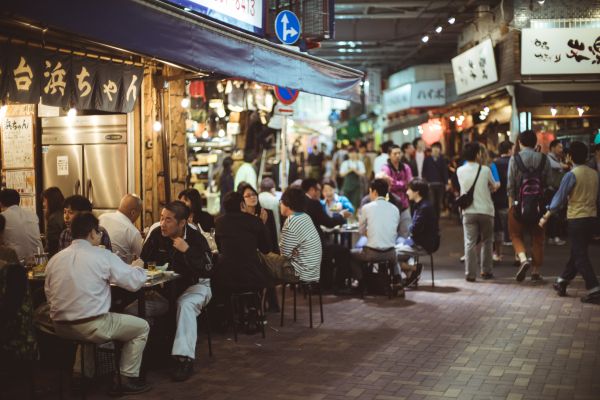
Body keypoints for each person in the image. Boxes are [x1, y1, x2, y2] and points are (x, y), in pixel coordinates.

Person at [44, 212, 150, 395]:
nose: (100, 235)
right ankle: (126, 378)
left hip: (59, 326)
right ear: (92, 233)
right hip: (92, 326)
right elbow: (133, 282)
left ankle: (80, 375)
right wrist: (139, 267)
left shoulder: (55, 259)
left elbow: (49, 294)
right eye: (98, 232)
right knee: (142, 327)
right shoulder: (102, 255)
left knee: (84, 327)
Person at [140, 201, 212, 382]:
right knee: (136, 308)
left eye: (168, 220)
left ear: (182, 223)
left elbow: (208, 269)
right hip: (163, 290)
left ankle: (184, 359)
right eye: (161, 218)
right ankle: (145, 356)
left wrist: (187, 250)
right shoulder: (157, 234)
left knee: (185, 305)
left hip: (195, 287)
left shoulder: (196, 239)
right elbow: (143, 259)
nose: (162, 223)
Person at [540, 141, 600, 303]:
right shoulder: (594, 173)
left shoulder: (572, 174)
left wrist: (546, 216)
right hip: (592, 218)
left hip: (577, 218)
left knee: (580, 255)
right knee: (577, 252)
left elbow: (559, 198)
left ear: (570, 156)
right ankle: (562, 281)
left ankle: (594, 288)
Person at [507, 130, 551, 282]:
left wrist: (511, 206)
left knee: (515, 234)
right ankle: (535, 271)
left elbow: (510, 185)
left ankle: (523, 259)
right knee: (538, 237)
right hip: (539, 205)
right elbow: (548, 183)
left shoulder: (514, 159)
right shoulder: (544, 159)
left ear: (520, 143)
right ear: (535, 143)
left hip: (519, 204)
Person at [214, 191, 272, 291]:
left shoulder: (219, 222)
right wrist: (262, 225)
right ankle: (262, 305)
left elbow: (220, 249)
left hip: (226, 276)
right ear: (242, 204)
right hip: (251, 275)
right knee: (268, 274)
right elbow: (266, 249)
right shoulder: (255, 221)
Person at [457, 142, 497, 282]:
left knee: (470, 243)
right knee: (487, 241)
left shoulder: (460, 171)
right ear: (477, 154)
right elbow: (494, 185)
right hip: (486, 210)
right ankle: (486, 271)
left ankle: (470, 274)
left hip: (468, 211)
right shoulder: (485, 170)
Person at [302, 178, 351, 290]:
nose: (322, 193)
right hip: (316, 247)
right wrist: (341, 217)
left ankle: (325, 283)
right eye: (320, 190)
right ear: (312, 190)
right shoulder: (314, 203)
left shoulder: (298, 202)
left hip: (302, 246)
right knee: (344, 251)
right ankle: (339, 284)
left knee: (331, 250)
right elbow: (329, 223)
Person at [350, 179, 400, 287]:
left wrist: (369, 233)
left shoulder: (367, 208)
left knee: (350, 254)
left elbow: (361, 231)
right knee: (393, 257)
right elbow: (395, 230)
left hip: (372, 253)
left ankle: (362, 282)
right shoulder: (395, 209)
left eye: (370, 192)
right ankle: (397, 281)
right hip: (391, 253)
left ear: (375, 192)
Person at [396, 179, 440, 285]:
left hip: (423, 244)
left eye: (409, 189)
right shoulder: (422, 205)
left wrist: (411, 228)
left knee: (392, 254)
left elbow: (414, 229)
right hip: (420, 241)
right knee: (399, 241)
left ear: (417, 192)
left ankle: (408, 274)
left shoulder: (424, 208)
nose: (407, 192)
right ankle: (412, 274)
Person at [277, 187, 322, 282]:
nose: (280, 204)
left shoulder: (291, 221)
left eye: (281, 201)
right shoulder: (305, 216)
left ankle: (265, 296)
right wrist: (293, 251)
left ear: (287, 204)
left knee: (266, 260)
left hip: (301, 272)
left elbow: (284, 255)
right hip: (314, 271)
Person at [0, 189, 43, 261]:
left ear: (1, 203)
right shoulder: (32, 214)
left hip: (17, 263)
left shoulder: (3, 217)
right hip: (40, 260)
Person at [381, 144, 413, 238]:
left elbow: (410, 183)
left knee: (406, 231)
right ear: (389, 155)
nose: (398, 156)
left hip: (404, 205)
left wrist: (395, 183)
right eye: (395, 154)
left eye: (399, 153)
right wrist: (403, 184)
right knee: (391, 232)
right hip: (391, 204)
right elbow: (388, 185)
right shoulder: (385, 168)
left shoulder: (405, 167)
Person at [99, 194, 143, 260]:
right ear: (133, 213)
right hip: (117, 268)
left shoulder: (102, 217)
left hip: (95, 264)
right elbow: (141, 259)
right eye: (139, 214)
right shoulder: (133, 232)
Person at [238, 182, 278, 253]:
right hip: (251, 256)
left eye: (254, 194)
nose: (252, 197)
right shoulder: (241, 218)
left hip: (268, 256)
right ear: (241, 199)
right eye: (248, 196)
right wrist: (260, 224)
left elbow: (274, 239)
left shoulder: (267, 213)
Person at [491, 141, 513, 261]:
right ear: (509, 150)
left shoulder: (494, 163)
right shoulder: (514, 162)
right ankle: (517, 256)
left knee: (497, 228)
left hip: (496, 199)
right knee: (512, 228)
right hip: (509, 199)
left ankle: (497, 253)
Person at [546, 139, 569, 246]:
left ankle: (553, 236)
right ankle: (553, 236)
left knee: (555, 214)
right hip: (551, 190)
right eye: (559, 147)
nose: (561, 149)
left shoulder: (558, 158)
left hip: (557, 190)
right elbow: (558, 166)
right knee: (553, 214)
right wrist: (565, 165)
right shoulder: (548, 158)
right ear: (552, 148)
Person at [422, 142, 450, 218]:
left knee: (439, 203)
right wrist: (425, 182)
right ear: (431, 150)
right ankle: (432, 219)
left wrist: (446, 183)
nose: (436, 150)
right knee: (432, 202)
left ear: (440, 150)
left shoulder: (442, 159)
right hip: (430, 184)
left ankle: (437, 219)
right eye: (434, 149)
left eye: (437, 149)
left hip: (440, 184)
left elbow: (445, 171)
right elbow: (424, 172)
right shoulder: (427, 159)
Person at [42, 187, 65, 258]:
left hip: (57, 257)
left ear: (51, 201)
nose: (43, 204)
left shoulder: (53, 219)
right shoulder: (63, 213)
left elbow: (52, 245)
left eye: (45, 201)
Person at [258, 177, 281, 241]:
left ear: (260, 188)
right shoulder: (276, 200)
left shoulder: (257, 198)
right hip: (274, 232)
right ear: (272, 189)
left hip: (260, 232)